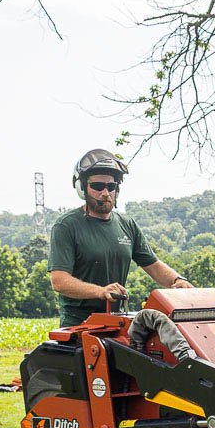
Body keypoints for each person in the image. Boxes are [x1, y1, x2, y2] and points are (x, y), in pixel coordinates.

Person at [47, 149, 200, 361]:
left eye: (111, 186)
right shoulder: (67, 226)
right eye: (98, 186)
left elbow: (153, 265)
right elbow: (59, 281)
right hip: (81, 326)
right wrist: (101, 291)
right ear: (82, 188)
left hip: (117, 325)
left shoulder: (126, 225)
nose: (105, 192)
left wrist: (178, 281)